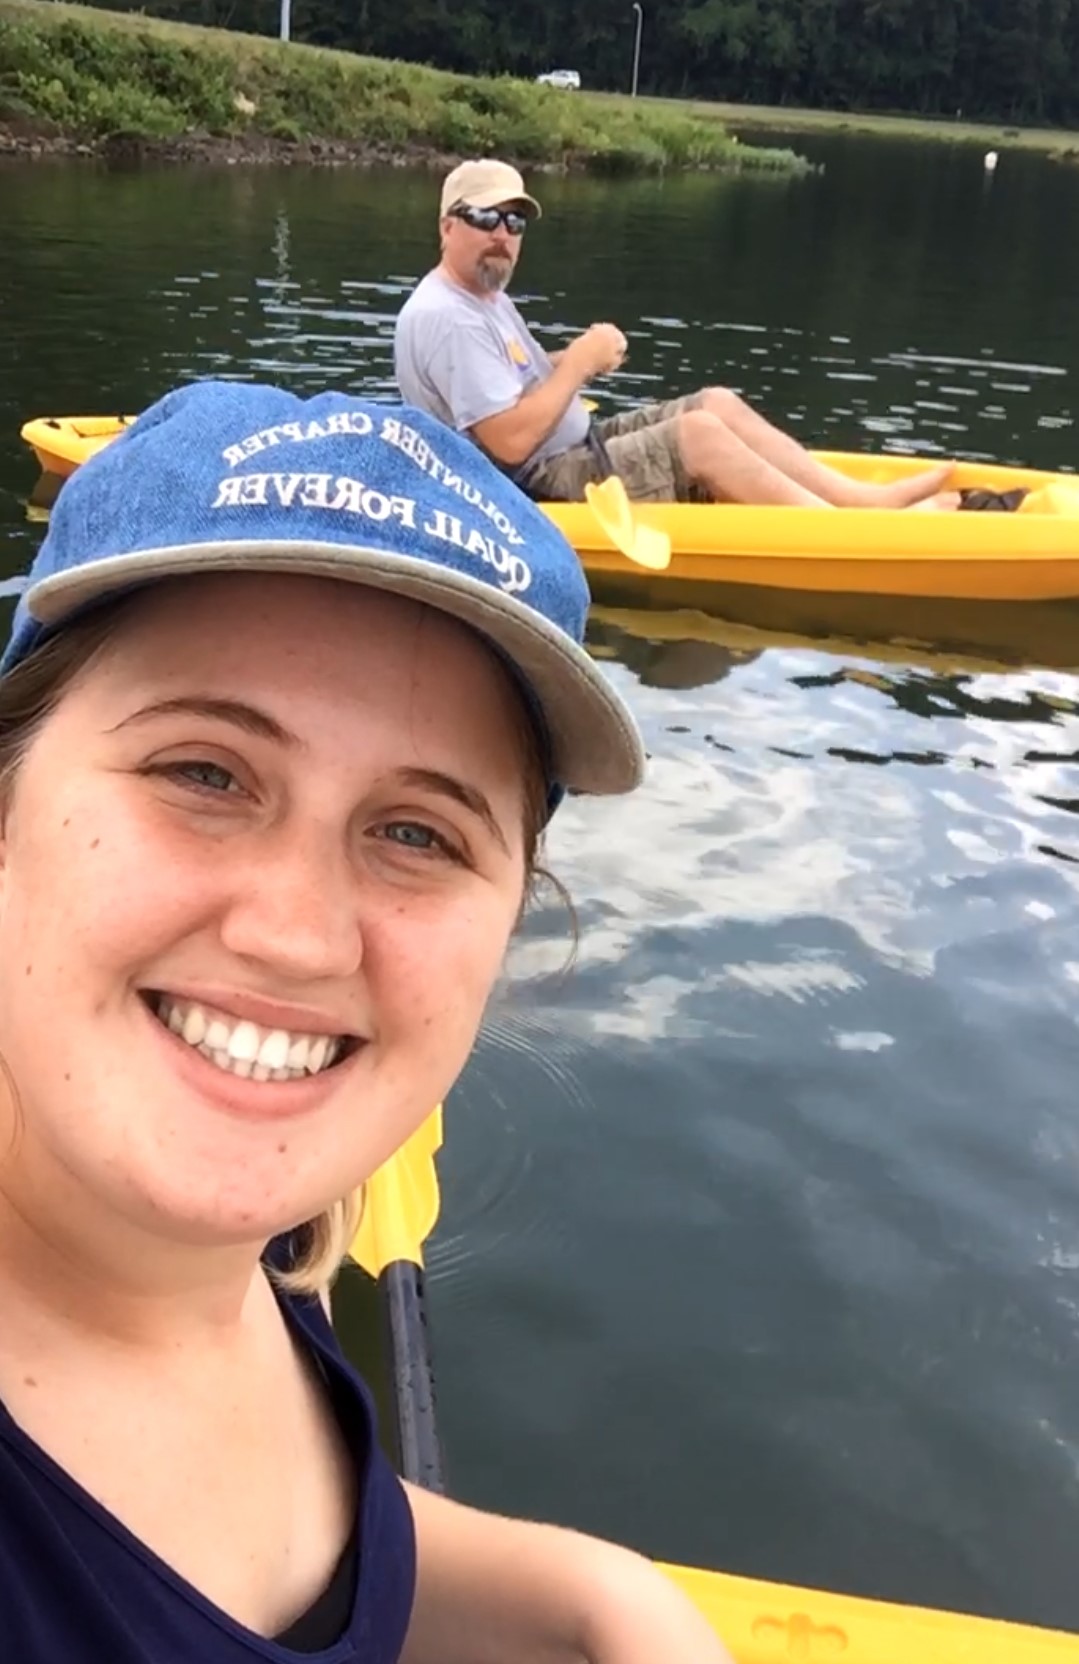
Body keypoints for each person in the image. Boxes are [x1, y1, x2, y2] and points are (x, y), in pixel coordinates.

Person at [0, 379, 736, 1663]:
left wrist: (598, 1599)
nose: (294, 934)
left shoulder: (251, 1243)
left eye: (415, 832)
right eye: (203, 771)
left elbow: (316, 1553)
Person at [393, 158, 957, 511]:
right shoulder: (447, 316)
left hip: (568, 449)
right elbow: (509, 443)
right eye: (487, 219)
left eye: (515, 223)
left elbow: (522, 384)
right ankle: (845, 531)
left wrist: (575, 356)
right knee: (698, 437)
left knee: (715, 404)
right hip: (532, 486)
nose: (504, 236)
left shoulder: (482, 297)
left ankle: (859, 501)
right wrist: (580, 363)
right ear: (448, 225)